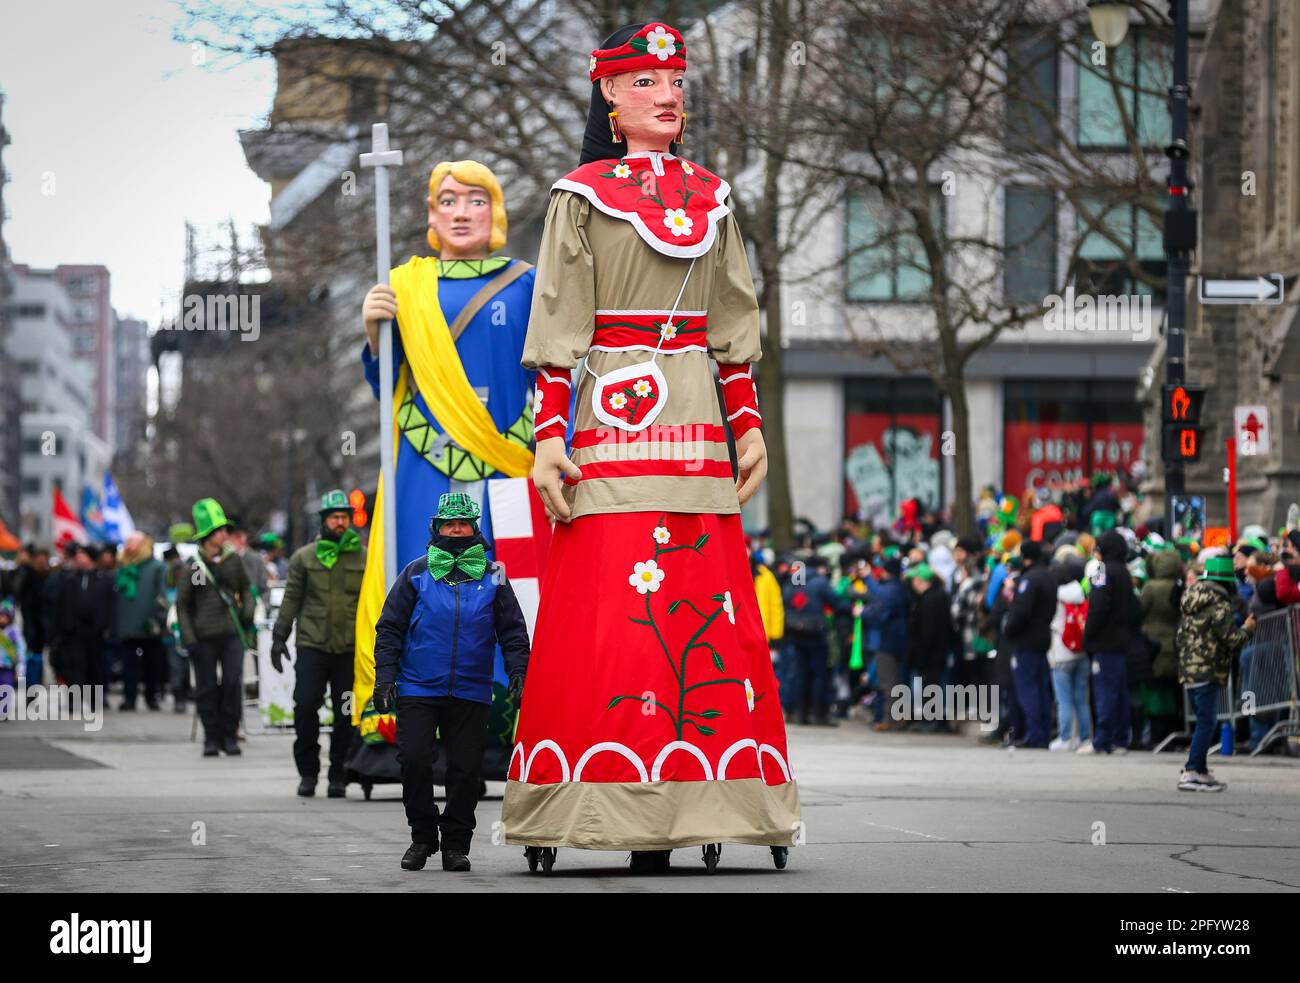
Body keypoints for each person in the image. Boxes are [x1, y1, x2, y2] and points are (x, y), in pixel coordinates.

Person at [502, 21, 799, 874]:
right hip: (606, 419)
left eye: (676, 80)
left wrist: (749, 424)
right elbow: (559, 327)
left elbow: (732, 326)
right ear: (610, 95)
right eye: (646, 82)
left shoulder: (715, 196)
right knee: (609, 605)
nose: (669, 94)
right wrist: (548, 439)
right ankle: (599, 800)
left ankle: (716, 797)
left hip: (699, 421)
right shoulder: (579, 195)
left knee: (703, 600)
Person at [354, 157, 537, 780]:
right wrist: (377, 333)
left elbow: (550, 375)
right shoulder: (406, 288)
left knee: (502, 589)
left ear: (497, 211)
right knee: (420, 582)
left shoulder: (528, 284)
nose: (462, 213)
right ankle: (406, 732)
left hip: (508, 465)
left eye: (476, 200)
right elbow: (389, 389)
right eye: (449, 201)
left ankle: (502, 728)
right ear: (431, 216)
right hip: (421, 466)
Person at [373, 493, 530, 872]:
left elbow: (513, 632)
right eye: (449, 523)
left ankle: (456, 844)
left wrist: (519, 673)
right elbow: (389, 628)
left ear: (474, 528)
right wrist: (385, 678)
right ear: (437, 528)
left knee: (465, 771)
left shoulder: (496, 576)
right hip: (417, 688)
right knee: (414, 760)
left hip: (471, 690)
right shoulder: (415, 573)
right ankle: (422, 837)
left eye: (463, 523)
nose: (456, 529)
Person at [271, 490, 366, 798]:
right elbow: (291, 599)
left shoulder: (364, 556)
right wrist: (278, 637)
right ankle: (308, 773)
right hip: (313, 646)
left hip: (349, 650)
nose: (340, 522)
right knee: (305, 707)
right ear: (324, 521)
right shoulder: (303, 558)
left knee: (346, 714)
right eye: (334, 517)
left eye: (344, 517)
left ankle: (339, 774)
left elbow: (375, 602)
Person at [176, 498, 254, 757]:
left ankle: (229, 734)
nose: (225, 535)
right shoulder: (193, 567)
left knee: (232, 684)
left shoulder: (234, 561)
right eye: (220, 531)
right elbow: (183, 605)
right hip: (203, 637)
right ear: (208, 536)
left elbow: (246, 588)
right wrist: (190, 640)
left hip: (232, 633)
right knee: (207, 687)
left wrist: (247, 613)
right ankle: (211, 737)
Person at [1176, 556, 1255, 791]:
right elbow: (1232, 639)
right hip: (1207, 669)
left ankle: (1199, 769)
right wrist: (1247, 629)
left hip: (1189, 669)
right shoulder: (1219, 605)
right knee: (1206, 721)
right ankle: (1192, 770)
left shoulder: (1191, 600)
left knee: (1203, 719)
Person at [1080, 530, 1136, 754]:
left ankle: (1102, 740)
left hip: (1104, 641)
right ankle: (1121, 738)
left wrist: (1088, 635)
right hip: (1121, 640)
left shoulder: (1103, 572)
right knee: (1119, 692)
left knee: (1104, 691)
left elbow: (1098, 607)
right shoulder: (1124, 572)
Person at [45, 545, 114, 711]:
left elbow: (110, 606)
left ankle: (95, 699)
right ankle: (74, 699)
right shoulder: (69, 579)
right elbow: (58, 605)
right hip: (73, 631)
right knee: (73, 667)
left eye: (82, 555)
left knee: (95, 666)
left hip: (95, 631)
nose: (78, 558)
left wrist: (108, 628)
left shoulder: (104, 579)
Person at [1001, 541, 1056, 748]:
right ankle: (1041, 732)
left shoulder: (1029, 580)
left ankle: (1034, 733)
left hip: (1026, 640)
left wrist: (1009, 629)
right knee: (1040, 688)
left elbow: (1020, 611)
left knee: (1027, 689)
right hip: (1042, 637)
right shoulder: (1048, 576)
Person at [1139, 547, 1184, 747]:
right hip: (1173, 643)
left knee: (1154, 690)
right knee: (1170, 690)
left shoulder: (1150, 587)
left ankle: (1156, 734)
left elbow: (1140, 611)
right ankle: (1171, 732)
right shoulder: (1178, 587)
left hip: (1153, 644)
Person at [903, 562, 954, 732]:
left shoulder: (930, 600)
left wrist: (920, 653)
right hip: (936, 651)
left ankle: (934, 720)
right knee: (934, 685)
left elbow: (928, 631)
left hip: (932, 653)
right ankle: (933, 719)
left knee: (933, 685)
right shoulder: (935, 597)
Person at [1047, 564, 1091, 750]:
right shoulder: (1082, 593)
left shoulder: (1055, 596)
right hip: (1081, 652)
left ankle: (1065, 738)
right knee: (1081, 698)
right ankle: (1084, 737)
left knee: (1063, 699)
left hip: (1061, 653)